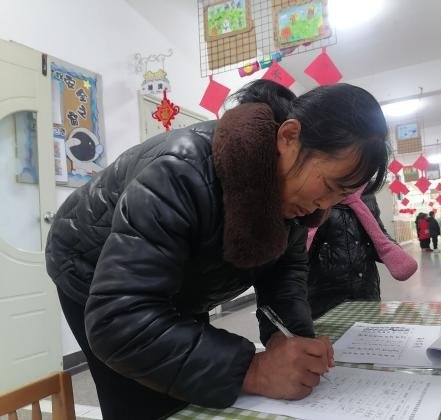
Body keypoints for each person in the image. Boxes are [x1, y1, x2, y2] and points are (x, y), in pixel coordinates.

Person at [45, 79, 389, 419]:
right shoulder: (181, 171)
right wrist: (254, 369)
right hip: (91, 269)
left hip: (181, 281)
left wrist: (291, 340)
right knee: (146, 398)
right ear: (288, 136)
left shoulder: (298, 198)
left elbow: (285, 274)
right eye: (328, 185)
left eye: (341, 196)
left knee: (192, 380)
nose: (324, 205)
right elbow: (118, 321)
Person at [306, 182, 417, 319]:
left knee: (369, 328)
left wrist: (392, 252)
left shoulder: (366, 193)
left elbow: (378, 232)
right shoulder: (315, 193)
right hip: (322, 292)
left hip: (366, 287)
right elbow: (300, 244)